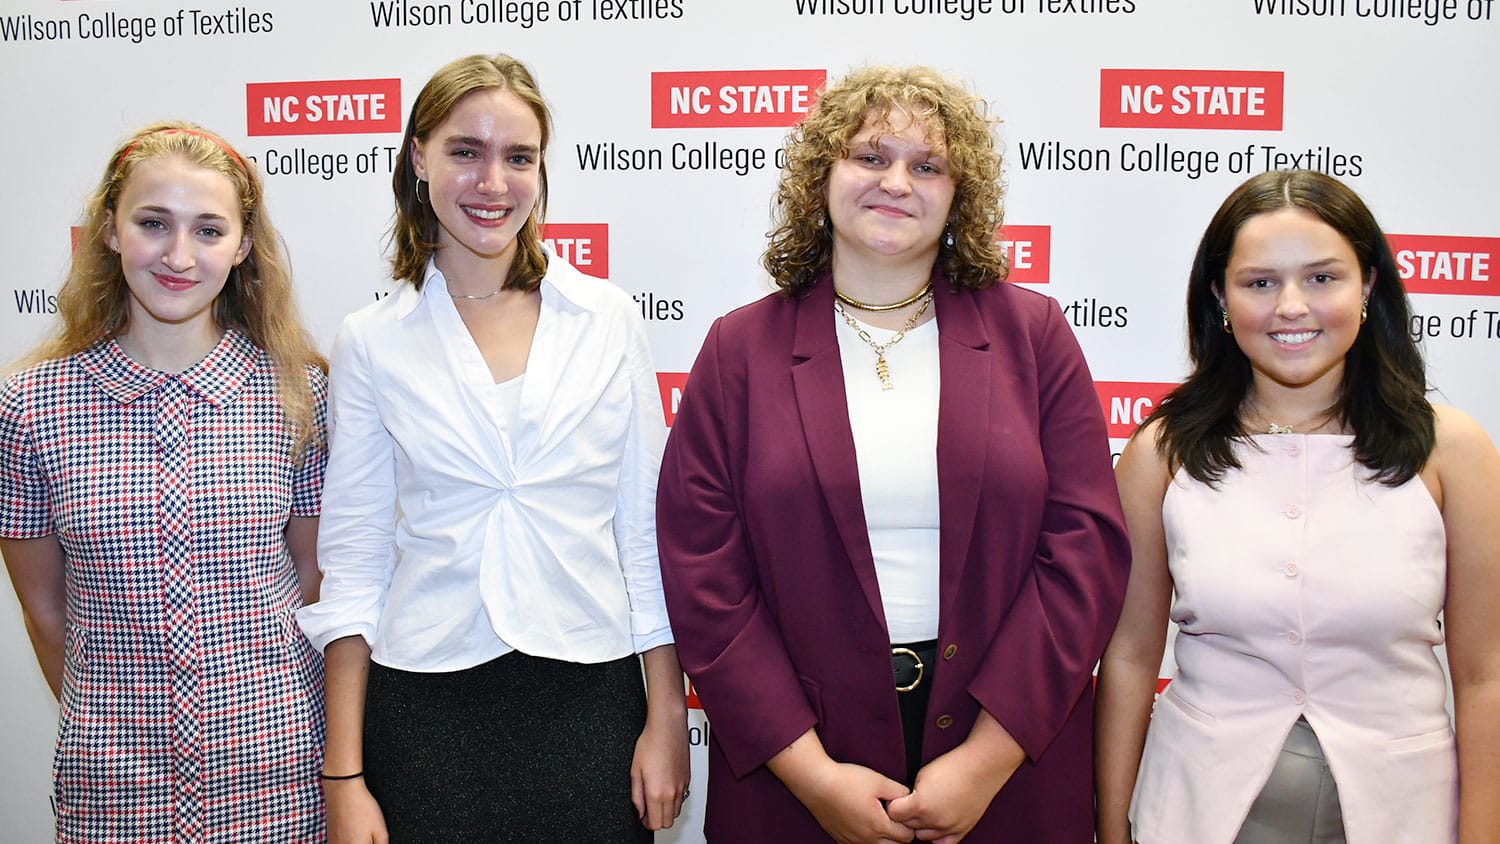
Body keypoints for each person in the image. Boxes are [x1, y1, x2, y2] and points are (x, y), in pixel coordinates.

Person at [655, 65, 1131, 844]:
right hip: (802, 771)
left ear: (959, 194)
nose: (896, 182)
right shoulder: (740, 348)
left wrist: (984, 759)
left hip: (1007, 764)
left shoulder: (1035, 335)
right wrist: (813, 775)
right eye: (870, 157)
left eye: (927, 165)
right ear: (822, 177)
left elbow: (1087, 552)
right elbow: (704, 572)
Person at [297, 53, 689, 844]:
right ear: (418, 157)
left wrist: (667, 716)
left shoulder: (606, 318)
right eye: (464, 151)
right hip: (424, 709)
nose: (493, 182)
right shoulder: (372, 341)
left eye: (518, 157)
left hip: (591, 700)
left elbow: (644, 538)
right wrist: (343, 775)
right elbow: (355, 563)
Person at [1094, 170, 1500, 844]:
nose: (1291, 307)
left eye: (1321, 278)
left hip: (1406, 812)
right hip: (1195, 810)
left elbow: (1485, 674)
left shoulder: (1453, 452)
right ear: (1220, 295)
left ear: (1367, 286)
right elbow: (1131, 657)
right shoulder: (1161, 453)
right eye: (1259, 282)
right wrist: (1111, 828)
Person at [0, 121, 329, 843]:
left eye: (209, 230)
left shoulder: (297, 395)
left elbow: (312, 583)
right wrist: (113, 724)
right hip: (113, 787)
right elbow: (45, 611)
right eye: (154, 223)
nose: (179, 256)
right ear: (110, 230)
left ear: (242, 247)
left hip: (278, 776)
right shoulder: (29, 408)